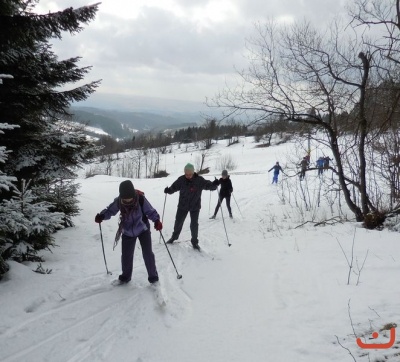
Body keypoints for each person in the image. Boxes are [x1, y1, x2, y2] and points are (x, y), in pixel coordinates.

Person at [95, 180, 162, 285]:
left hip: (143, 229)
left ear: (133, 195)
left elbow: (150, 211)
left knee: (147, 253)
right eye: (125, 199)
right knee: (126, 255)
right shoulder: (119, 201)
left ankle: (153, 277)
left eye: (129, 198)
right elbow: (110, 210)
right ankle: (125, 277)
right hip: (127, 231)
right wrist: (102, 216)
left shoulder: (140, 199)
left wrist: (157, 220)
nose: (127, 201)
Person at [164, 163, 218, 250]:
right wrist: (168, 190)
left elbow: (208, 185)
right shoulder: (181, 180)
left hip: (195, 206)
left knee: (194, 225)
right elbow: (174, 187)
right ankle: (174, 237)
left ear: (193, 172)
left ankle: (194, 242)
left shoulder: (199, 180)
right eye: (186, 174)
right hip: (183, 205)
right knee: (178, 222)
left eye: (190, 174)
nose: (188, 176)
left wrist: (214, 184)